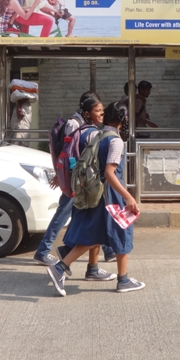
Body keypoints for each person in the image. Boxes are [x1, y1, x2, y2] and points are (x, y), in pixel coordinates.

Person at [47, 102, 144, 296]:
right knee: (122, 233)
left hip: (97, 193)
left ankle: (62, 266)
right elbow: (110, 173)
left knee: (94, 235)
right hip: (112, 195)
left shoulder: (96, 134)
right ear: (123, 119)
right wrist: (128, 197)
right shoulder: (116, 141)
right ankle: (123, 280)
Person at [34, 93, 116, 267]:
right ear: (87, 110)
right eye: (97, 109)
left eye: (102, 110)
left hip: (81, 179)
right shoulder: (74, 123)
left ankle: (105, 251)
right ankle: (44, 251)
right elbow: (69, 150)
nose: (101, 113)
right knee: (64, 215)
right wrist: (61, 174)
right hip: (77, 180)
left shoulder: (88, 124)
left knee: (87, 215)